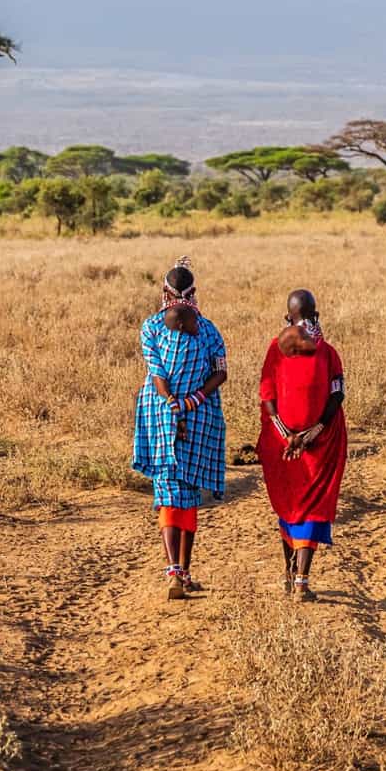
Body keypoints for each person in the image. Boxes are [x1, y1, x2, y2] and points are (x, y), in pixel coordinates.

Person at [132, 257, 228, 600]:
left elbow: (157, 373)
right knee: (188, 495)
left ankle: (175, 571)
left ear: (164, 293)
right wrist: (193, 400)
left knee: (168, 491)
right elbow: (221, 373)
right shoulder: (210, 330)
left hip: (160, 413)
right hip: (199, 415)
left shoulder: (151, 328)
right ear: (194, 293)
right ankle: (183, 571)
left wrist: (173, 402)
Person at [256, 289, 347, 601]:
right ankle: (302, 583)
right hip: (319, 443)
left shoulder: (274, 350)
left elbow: (267, 395)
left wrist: (287, 435)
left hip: (281, 444)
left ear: (288, 317)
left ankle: (288, 573)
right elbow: (337, 395)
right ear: (316, 315)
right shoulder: (328, 353)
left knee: (290, 504)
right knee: (313, 505)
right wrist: (312, 433)